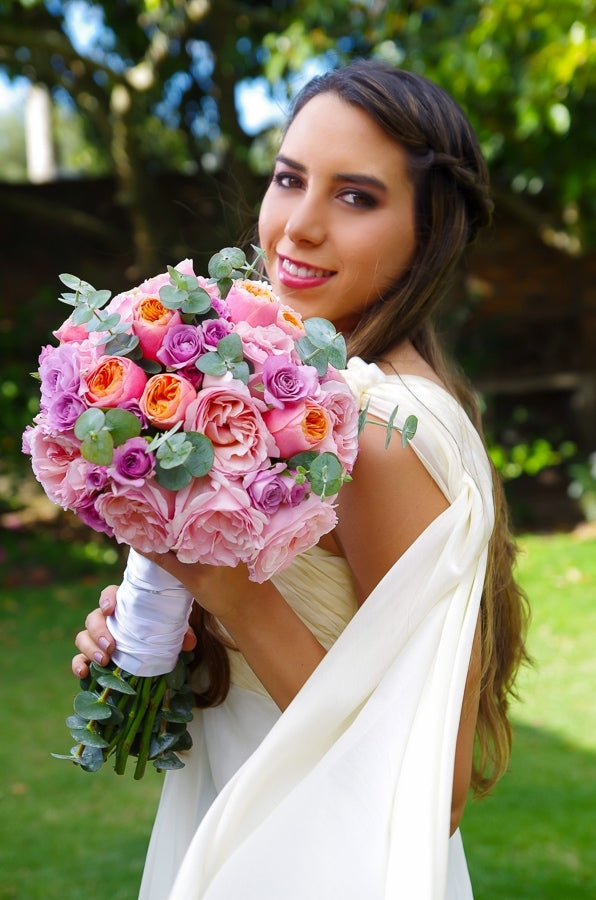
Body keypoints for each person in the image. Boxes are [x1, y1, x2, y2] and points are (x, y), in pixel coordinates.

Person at [72, 59, 529, 899]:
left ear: (429, 234)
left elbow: (435, 790)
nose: (298, 227)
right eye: (291, 179)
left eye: (356, 196)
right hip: (247, 815)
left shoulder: (387, 428)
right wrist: (166, 639)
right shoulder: (312, 394)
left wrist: (231, 592)